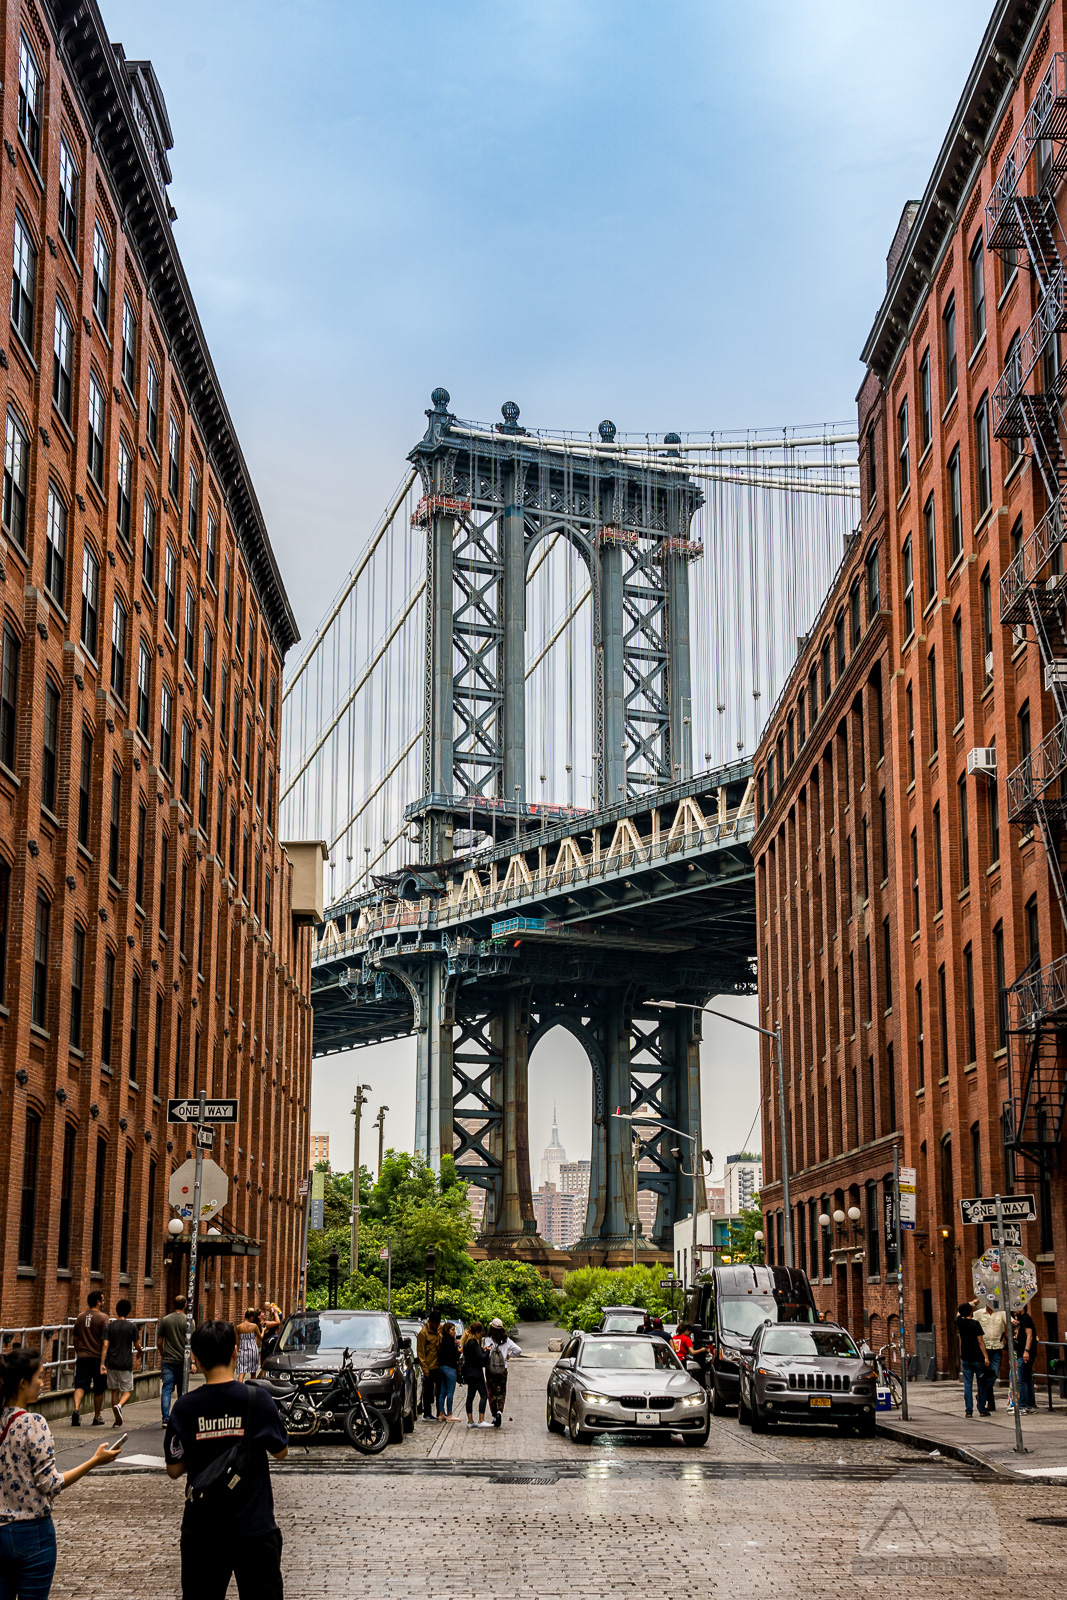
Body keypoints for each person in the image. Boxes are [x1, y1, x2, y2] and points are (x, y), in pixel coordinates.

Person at [165, 1320, 288, 1600]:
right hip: (254, 1525)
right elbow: (281, 1451)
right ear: (235, 1352)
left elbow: (174, 1469)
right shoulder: (258, 1399)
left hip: (203, 1529)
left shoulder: (184, 1407)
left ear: (196, 1357)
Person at [0, 1347, 122, 1596]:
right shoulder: (34, 1424)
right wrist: (94, 1461)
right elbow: (50, 1484)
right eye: (39, 1377)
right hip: (32, 1533)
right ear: (23, 1383)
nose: (42, 1382)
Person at [100, 1299, 142, 1427]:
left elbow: (105, 1346)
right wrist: (140, 1351)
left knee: (114, 1390)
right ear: (128, 1311)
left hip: (112, 1363)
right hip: (125, 1363)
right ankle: (119, 1406)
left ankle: (117, 1420)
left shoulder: (109, 1326)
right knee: (127, 1391)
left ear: (117, 1310)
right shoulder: (132, 1326)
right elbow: (137, 1344)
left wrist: (102, 1363)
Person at [71, 1290, 109, 1427]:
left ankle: (76, 1410)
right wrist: (103, 1362)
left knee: (80, 1385)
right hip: (98, 1358)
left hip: (83, 1356)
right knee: (99, 1388)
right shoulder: (104, 1318)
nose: (103, 1303)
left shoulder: (80, 1317)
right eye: (102, 1300)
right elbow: (105, 1342)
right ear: (98, 1302)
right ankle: (97, 1416)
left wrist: (78, 1350)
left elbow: (75, 1337)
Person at [157, 1296, 190, 1427]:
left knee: (166, 1388)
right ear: (185, 1305)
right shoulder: (189, 1321)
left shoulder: (165, 1320)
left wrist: (162, 1353)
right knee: (182, 1390)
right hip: (183, 1361)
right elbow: (190, 1344)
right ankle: (181, 1417)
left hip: (168, 1360)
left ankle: (165, 1418)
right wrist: (192, 1361)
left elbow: (159, 1341)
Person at [483, 1318, 521, 1428]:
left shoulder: (488, 1340)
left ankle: (494, 1416)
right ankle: (500, 1411)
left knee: (492, 1392)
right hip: (502, 1370)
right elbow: (518, 1350)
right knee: (501, 1392)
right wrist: (509, 1356)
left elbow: (487, 1354)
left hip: (490, 1370)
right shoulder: (506, 1340)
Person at [955, 1301, 991, 1418]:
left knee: (968, 1385)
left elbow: (958, 1314)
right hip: (977, 1358)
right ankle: (981, 1409)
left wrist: (971, 1303)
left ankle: (968, 1411)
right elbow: (980, 1341)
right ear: (971, 1311)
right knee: (981, 1384)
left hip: (965, 1358)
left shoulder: (960, 1322)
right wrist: (986, 1356)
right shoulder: (975, 1324)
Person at [972, 1296, 1006, 1413]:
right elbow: (964, 1318)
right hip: (983, 1349)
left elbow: (1012, 1323)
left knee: (993, 1374)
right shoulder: (978, 1314)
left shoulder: (1001, 1313)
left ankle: (982, 1395)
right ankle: (990, 1403)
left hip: (996, 1347)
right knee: (984, 1377)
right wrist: (972, 1304)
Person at [460, 1322, 488, 1428]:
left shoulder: (467, 1342)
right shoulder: (473, 1342)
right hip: (476, 1373)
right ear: (477, 1332)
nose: (481, 1335)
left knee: (470, 1397)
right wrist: (487, 1352)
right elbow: (480, 1357)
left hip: (468, 1373)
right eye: (480, 1333)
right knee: (484, 1395)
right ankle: (481, 1419)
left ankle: (470, 1420)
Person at [1012, 1300, 1038, 1413]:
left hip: (1025, 1353)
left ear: (1022, 1309)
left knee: (1022, 1380)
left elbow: (1030, 1335)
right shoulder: (1021, 1320)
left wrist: (1026, 1351)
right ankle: (1030, 1404)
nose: (1014, 1310)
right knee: (1027, 1379)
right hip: (1024, 1352)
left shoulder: (1026, 1319)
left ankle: (1023, 1405)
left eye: (1016, 1308)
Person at [416, 1311, 442, 1420]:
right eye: (434, 1323)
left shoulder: (440, 1329)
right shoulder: (423, 1333)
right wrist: (425, 1369)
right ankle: (427, 1412)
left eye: (438, 1323)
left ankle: (440, 1412)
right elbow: (421, 1353)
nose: (436, 1325)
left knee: (440, 1391)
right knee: (428, 1392)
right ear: (430, 1322)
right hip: (429, 1367)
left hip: (439, 1365)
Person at [437, 1322, 460, 1421]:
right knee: (450, 1392)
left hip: (442, 1367)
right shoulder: (450, 1341)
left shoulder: (442, 1340)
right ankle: (450, 1414)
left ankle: (441, 1413)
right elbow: (453, 1356)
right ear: (447, 1330)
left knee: (442, 1391)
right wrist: (459, 1350)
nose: (454, 1332)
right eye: (453, 1329)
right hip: (450, 1368)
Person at [235, 1310, 262, 1382]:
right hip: (253, 1350)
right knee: (253, 1373)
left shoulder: (238, 1327)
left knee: (241, 1373)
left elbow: (237, 1342)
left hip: (243, 1350)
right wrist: (263, 1330)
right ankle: (253, 1390)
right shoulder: (254, 1326)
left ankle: (239, 1389)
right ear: (251, 1318)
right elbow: (261, 1338)